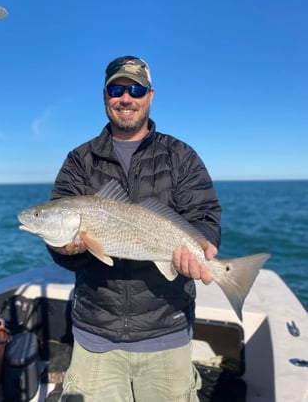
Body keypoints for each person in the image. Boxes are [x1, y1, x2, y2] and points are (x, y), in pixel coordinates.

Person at [46, 55, 222, 402]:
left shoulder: (181, 156)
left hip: (167, 329)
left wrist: (203, 244)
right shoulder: (79, 160)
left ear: (150, 95)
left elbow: (205, 214)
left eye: (135, 89)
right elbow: (61, 235)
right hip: (96, 334)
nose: (126, 98)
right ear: (104, 95)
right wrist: (62, 249)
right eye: (117, 89)